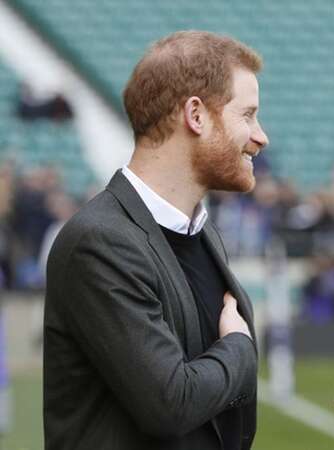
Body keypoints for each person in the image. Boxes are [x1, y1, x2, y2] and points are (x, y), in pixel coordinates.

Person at [44, 31, 268, 450]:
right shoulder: (99, 242)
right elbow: (171, 403)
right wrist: (239, 348)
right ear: (196, 116)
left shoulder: (201, 234)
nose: (260, 136)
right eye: (248, 115)